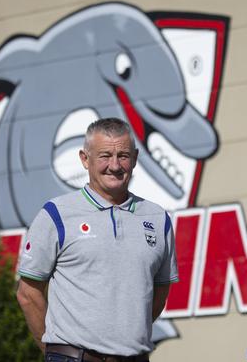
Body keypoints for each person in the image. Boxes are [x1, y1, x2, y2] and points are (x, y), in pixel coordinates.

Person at [16, 117, 178, 362]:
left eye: (123, 155)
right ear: (84, 159)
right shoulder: (56, 214)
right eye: (104, 155)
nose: (114, 165)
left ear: (134, 159)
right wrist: (53, 352)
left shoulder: (157, 218)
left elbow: (160, 292)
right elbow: (28, 294)